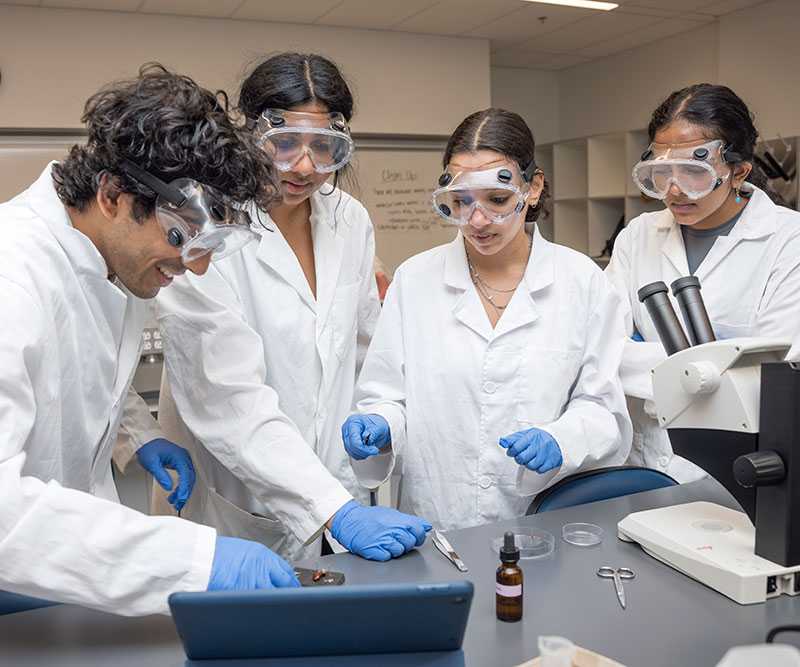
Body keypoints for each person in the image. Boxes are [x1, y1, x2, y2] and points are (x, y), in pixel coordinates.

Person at [0, 64, 305, 617]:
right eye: (183, 237)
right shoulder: (11, 277)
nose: (198, 265)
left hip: (59, 578)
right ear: (114, 194)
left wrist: (135, 432)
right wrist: (194, 561)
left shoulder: (107, 260)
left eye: (212, 243)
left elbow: (73, 374)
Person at [155, 53, 430, 561]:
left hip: (341, 482)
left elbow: (367, 346)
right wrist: (333, 509)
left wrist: (378, 416)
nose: (304, 166)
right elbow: (227, 398)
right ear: (250, 135)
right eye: (284, 143)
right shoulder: (205, 230)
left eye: (323, 146)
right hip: (250, 498)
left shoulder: (351, 220)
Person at [340, 108, 632, 531]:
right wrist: (381, 423)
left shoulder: (582, 281)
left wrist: (562, 440)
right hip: (438, 515)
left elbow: (602, 408)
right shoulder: (415, 279)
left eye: (497, 200)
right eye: (461, 202)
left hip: (544, 519)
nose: (478, 221)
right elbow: (388, 394)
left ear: (532, 188)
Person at [605, 83, 800, 482]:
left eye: (694, 173)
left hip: (740, 463)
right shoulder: (638, 235)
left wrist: (645, 356)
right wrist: (712, 361)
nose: (673, 191)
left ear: (738, 171)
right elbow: (602, 350)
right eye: (660, 174)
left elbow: (775, 372)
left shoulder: (788, 241)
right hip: (646, 461)